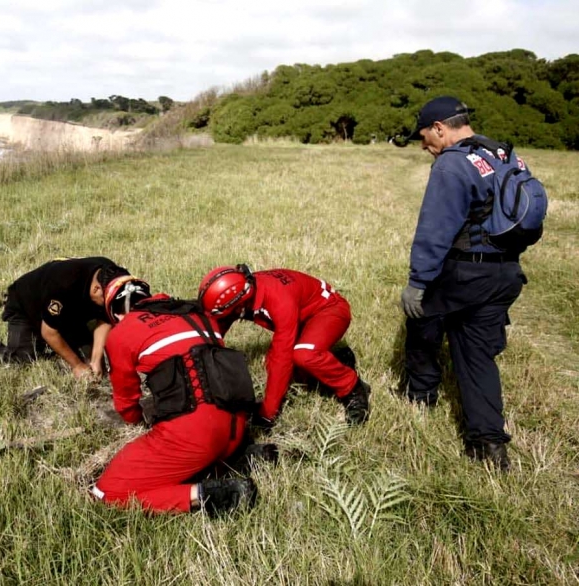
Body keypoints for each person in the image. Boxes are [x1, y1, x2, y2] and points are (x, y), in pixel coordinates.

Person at [399, 96, 529, 470]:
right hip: (505, 272)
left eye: (425, 137)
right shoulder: (506, 156)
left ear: (440, 127)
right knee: (476, 357)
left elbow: (435, 230)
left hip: (465, 272)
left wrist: (417, 282)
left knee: (421, 316)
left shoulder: (451, 166)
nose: (424, 146)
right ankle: (488, 445)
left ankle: (420, 395)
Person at [91, 268, 258, 515]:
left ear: (116, 312)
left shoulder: (122, 333)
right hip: (238, 425)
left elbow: (127, 405)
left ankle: (210, 495)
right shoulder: (200, 314)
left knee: (105, 493)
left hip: (196, 435)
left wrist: (140, 422)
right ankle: (231, 459)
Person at [197, 264, 370, 427]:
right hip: (305, 316)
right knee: (300, 373)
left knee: (303, 356)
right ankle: (338, 360)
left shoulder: (279, 301)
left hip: (330, 310)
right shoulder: (245, 288)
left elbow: (282, 359)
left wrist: (267, 414)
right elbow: (215, 330)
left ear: (239, 304)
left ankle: (353, 387)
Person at [0, 257, 121, 379]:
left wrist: (97, 358)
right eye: (105, 301)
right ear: (96, 289)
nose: (107, 305)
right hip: (25, 306)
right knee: (23, 358)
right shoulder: (63, 285)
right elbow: (49, 332)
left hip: (69, 312)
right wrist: (77, 366)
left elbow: (104, 317)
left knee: (92, 361)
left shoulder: (111, 274)